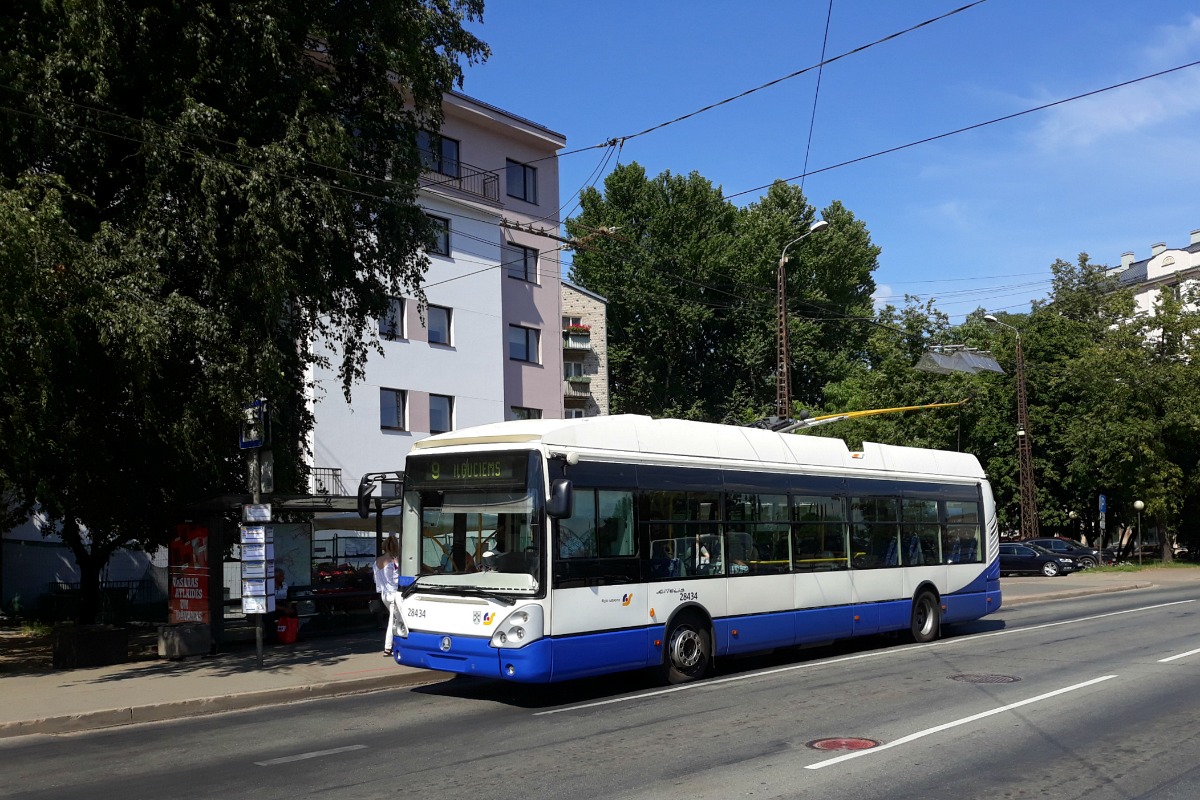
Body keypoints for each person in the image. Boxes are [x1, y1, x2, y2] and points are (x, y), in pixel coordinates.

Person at [373, 536, 400, 656]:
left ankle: (391, 646)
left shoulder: (378, 560)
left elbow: (375, 579)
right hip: (394, 593)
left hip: (384, 594)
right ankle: (388, 647)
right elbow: (398, 577)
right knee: (392, 621)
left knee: (393, 618)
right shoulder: (394, 560)